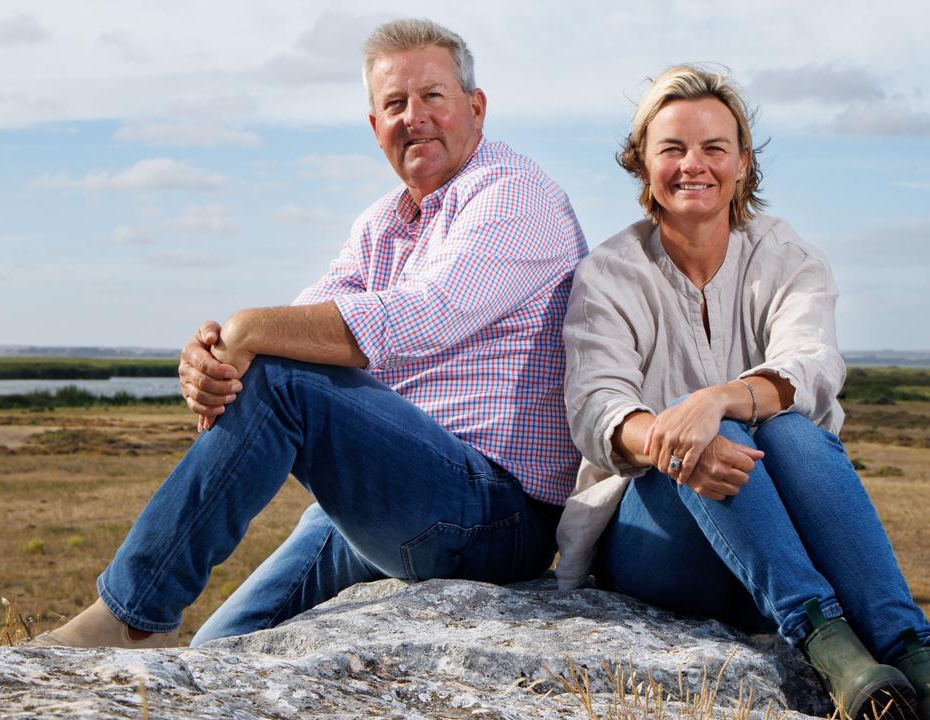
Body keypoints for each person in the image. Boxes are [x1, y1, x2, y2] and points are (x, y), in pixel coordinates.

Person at [30, 18, 585, 650]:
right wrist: (211, 359)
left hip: (495, 511)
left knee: (281, 377)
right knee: (219, 654)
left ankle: (130, 613)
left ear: (475, 108)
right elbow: (295, 326)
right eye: (394, 104)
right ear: (375, 127)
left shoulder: (515, 194)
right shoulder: (381, 223)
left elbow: (432, 311)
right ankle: (147, 629)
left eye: (433, 96)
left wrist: (249, 334)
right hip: (387, 497)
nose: (414, 117)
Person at [555, 65, 930, 720]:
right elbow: (596, 405)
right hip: (657, 547)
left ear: (742, 162)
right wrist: (675, 438)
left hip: (773, 548)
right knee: (715, 435)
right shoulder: (610, 274)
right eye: (671, 148)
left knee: (791, 429)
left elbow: (813, 365)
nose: (693, 165)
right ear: (642, 163)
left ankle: (916, 655)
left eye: (713, 147)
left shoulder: (786, 255)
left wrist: (717, 399)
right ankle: (828, 643)